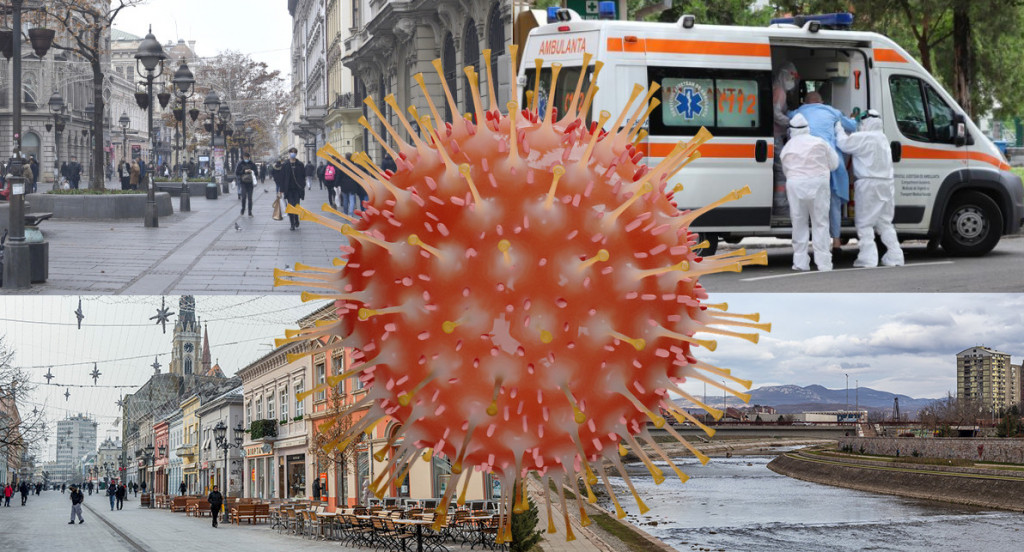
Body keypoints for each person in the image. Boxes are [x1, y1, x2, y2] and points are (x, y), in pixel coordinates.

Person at [788, 91, 857, 255]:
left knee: (803, 210)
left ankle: (804, 250)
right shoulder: (832, 112)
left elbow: (783, 119)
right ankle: (837, 242)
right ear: (822, 101)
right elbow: (853, 127)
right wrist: (853, 117)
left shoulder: (798, 113)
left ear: (805, 102)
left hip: (805, 165)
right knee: (833, 201)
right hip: (830, 162)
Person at [835, 110, 905, 268]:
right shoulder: (883, 138)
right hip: (886, 184)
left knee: (864, 224)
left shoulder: (864, 137)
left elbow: (843, 144)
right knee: (885, 223)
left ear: (866, 123)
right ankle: (895, 256)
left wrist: (838, 126)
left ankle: (868, 258)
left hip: (868, 185)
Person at [779, 113, 838, 272]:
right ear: (808, 129)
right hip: (818, 184)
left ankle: (800, 263)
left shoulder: (787, 148)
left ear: (791, 131)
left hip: (796, 185)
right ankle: (824, 263)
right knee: (820, 223)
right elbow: (834, 164)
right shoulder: (820, 142)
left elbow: (786, 171)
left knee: (799, 223)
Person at [284, 148, 307, 230]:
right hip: (289, 189)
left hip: (297, 189)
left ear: (296, 154)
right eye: (291, 152)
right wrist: (281, 190)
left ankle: (296, 219)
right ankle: (292, 224)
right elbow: (282, 177)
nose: (293, 154)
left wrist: (303, 185)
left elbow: (303, 175)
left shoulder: (300, 164)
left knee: (297, 205)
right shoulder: (286, 164)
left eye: (294, 152)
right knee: (290, 206)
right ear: (289, 153)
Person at [235, 152, 259, 217]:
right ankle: (243, 209)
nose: (246, 159)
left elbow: (256, 173)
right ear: (243, 157)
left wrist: (252, 171)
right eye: (245, 158)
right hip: (243, 183)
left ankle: (250, 211)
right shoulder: (240, 164)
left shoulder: (252, 164)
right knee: (243, 197)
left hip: (250, 183)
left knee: (250, 198)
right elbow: (237, 172)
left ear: (249, 157)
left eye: (247, 158)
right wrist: (244, 171)